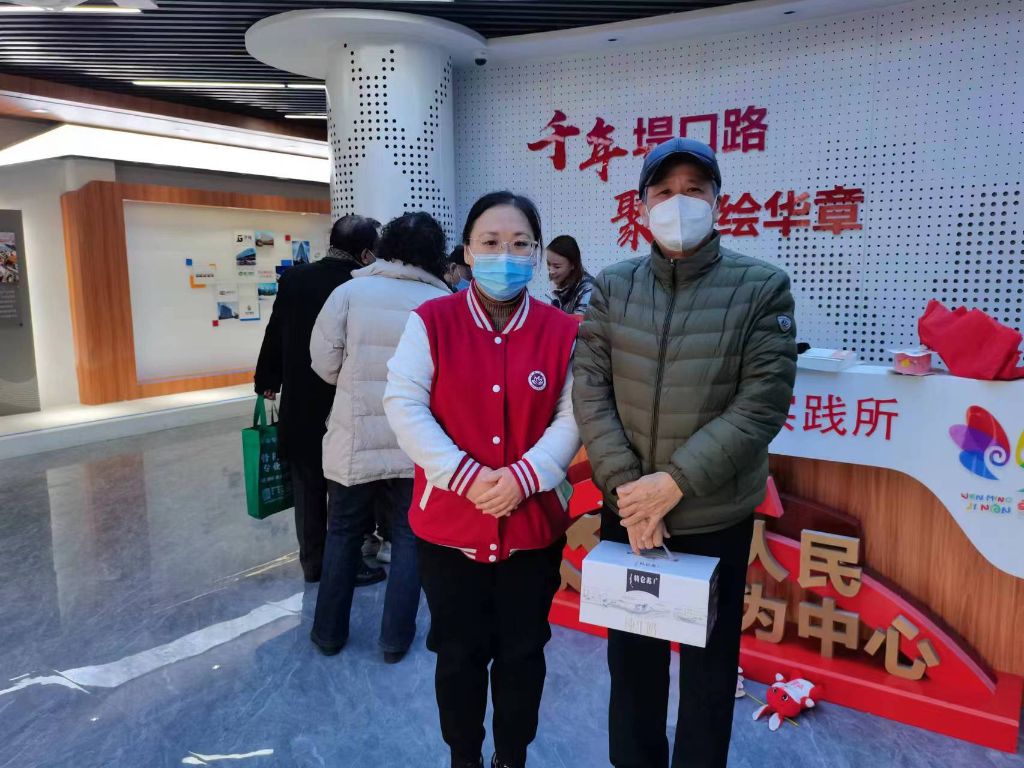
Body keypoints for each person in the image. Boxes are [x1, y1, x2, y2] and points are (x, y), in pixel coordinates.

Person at [572, 138, 797, 768]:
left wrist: (672, 483)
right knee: (632, 669)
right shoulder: (613, 286)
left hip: (712, 514)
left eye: (694, 190)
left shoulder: (761, 287)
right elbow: (590, 387)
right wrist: (631, 493)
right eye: (664, 191)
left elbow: (761, 404)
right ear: (642, 205)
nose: (679, 202)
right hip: (629, 514)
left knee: (707, 674)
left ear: (718, 201)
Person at [384, 192, 581, 768]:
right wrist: (465, 477)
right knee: (458, 655)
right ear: (467, 251)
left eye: (520, 244)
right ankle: (465, 756)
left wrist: (525, 477)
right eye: (491, 243)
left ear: (536, 254)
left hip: (532, 528)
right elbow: (404, 404)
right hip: (449, 528)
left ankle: (511, 756)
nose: (505, 255)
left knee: (523, 654)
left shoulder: (561, 330)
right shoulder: (432, 321)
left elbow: (573, 415)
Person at [308, 212, 451, 662]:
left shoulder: (349, 293)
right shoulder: (444, 301)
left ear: (385, 245)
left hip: (355, 438)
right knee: (409, 537)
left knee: (343, 533)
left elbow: (323, 364)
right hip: (417, 442)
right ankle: (394, 641)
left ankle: (328, 634)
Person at [254, 214, 385, 586]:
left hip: (300, 401)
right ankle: (349, 563)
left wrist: (267, 379)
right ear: (365, 252)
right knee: (347, 490)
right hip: (345, 403)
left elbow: (276, 330)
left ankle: (313, 563)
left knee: (308, 487)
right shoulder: (361, 285)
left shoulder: (295, 278)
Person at [545, 235, 594, 315]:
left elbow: (579, 321)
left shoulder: (588, 289)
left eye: (557, 267)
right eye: (548, 264)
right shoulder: (560, 285)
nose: (551, 271)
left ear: (573, 264)